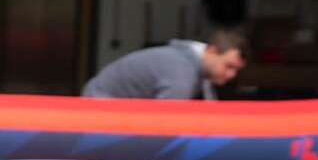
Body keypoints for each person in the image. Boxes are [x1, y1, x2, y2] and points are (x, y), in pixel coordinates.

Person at [81, 29, 247, 100]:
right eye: (228, 66)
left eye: (237, 70)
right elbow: (166, 123)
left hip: (105, 100)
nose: (231, 75)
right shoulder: (182, 72)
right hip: (99, 107)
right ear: (211, 51)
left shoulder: (189, 61)